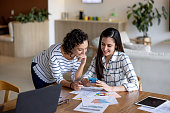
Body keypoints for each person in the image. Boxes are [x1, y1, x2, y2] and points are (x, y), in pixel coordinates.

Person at [82, 27, 139, 92]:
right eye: (103, 44)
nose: (105, 49)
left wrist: (111, 88)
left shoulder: (123, 58)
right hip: (104, 95)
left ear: (116, 45)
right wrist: (85, 80)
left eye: (109, 46)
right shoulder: (97, 57)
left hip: (121, 96)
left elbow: (135, 84)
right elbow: (87, 75)